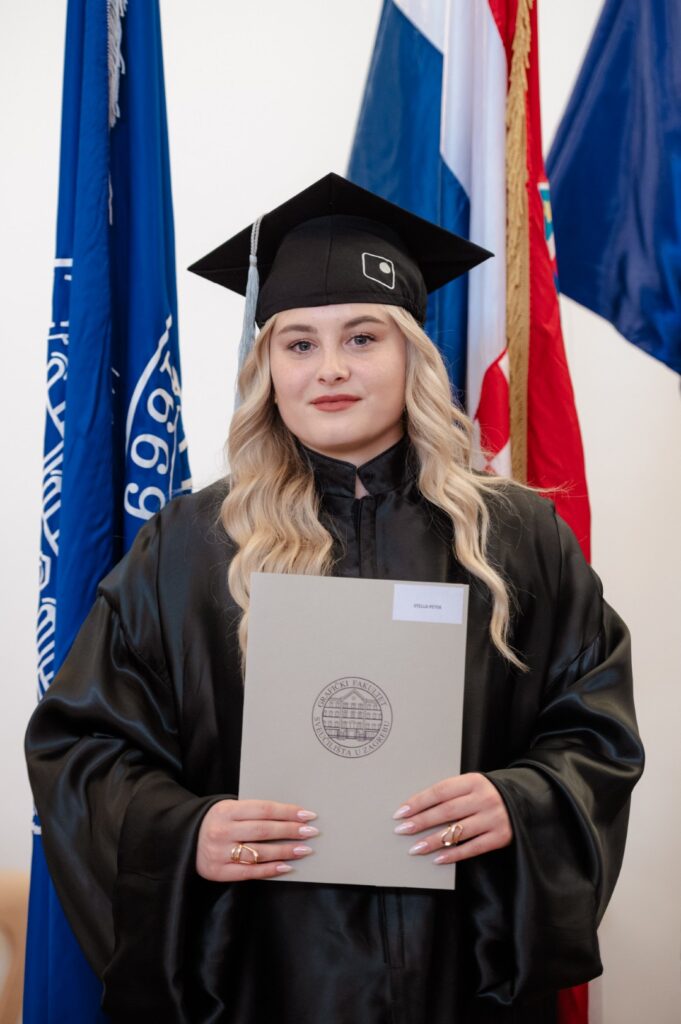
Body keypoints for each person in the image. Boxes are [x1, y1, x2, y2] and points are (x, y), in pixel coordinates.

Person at [25, 173, 644, 1023]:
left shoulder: (513, 537)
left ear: (411, 355)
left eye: (361, 337)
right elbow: (82, 745)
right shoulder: (190, 545)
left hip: (457, 970)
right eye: (299, 344)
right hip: (258, 972)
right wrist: (184, 832)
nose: (331, 370)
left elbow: (595, 729)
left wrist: (522, 801)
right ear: (267, 369)